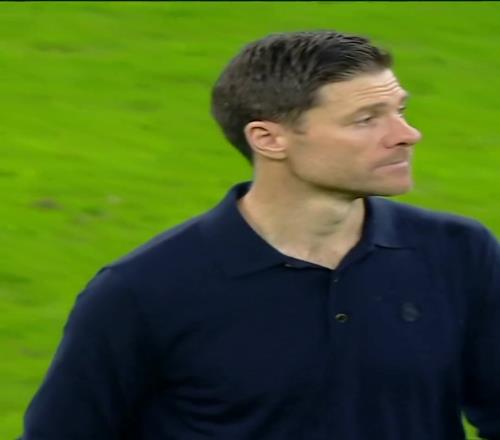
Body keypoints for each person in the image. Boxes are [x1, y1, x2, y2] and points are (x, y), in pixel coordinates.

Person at [20, 30, 500, 440]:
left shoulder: (459, 253)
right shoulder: (144, 292)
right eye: (366, 119)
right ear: (269, 139)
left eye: (400, 110)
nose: (407, 134)